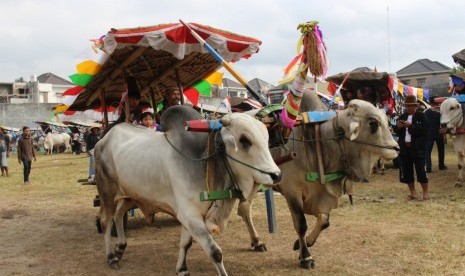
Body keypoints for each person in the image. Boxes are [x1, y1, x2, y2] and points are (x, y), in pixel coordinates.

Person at [394, 95, 429, 201]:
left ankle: (425, 193)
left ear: (415, 106)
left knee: (421, 171)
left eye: (411, 106)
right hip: (405, 149)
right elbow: (397, 133)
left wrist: (410, 126)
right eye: (407, 106)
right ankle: (413, 192)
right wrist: (398, 127)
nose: (409, 108)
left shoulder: (422, 116)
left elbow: (424, 131)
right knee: (407, 172)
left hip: (418, 148)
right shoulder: (402, 117)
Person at [425, 97, 447, 172]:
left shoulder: (426, 112)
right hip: (439, 133)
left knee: (428, 151)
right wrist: (444, 135)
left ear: (430, 103)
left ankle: (428, 167)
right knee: (441, 150)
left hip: (429, 133)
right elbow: (443, 124)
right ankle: (441, 165)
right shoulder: (441, 112)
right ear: (437, 103)